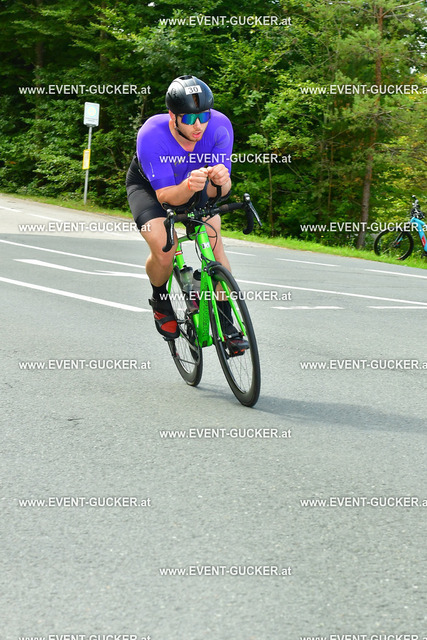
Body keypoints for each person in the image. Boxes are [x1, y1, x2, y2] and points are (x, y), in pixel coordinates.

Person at [126, 74, 237, 341]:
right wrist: (189, 186)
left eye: (203, 116)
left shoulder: (220, 126)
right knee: (166, 249)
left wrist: (221, 182)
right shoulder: (151, 135)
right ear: (173, 116)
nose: (198, 125)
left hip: (194, 185)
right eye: (189, 118)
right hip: (152, 190)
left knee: (214, 245)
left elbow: (221, 192)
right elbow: (166, 197)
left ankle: (226, 320)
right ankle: (160, 299)